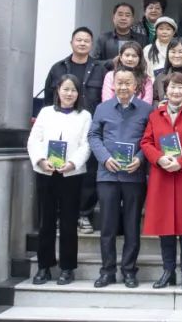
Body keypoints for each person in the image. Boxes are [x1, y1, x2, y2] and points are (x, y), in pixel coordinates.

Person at [140, 72, 182, 291]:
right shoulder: (155, 116)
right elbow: (146, 142)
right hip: (162, 177)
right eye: (172, 87)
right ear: (165, 90)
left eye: (180, 87)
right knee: (165, 228)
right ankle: (168, 271)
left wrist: (181, 161)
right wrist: (159, 158)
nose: (176, 91)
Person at [88, 68, 152, 288]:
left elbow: (150, 139)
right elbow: (93, 135)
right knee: (107, 226)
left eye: (128, 83)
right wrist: (105, 158)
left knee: (132, 226)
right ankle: (107, 271)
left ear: (136, 86)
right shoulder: (102, 108)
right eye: (119, 83)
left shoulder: (146, 110)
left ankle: (129, 271)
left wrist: (140, 158)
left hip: (134, 177)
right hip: (108, 175)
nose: (123, 87)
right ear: (113, 85)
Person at [40, 27, 106, 234]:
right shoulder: (58, 68)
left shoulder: (99, 68)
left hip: (90, 126)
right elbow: (48, 99)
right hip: (61, 127)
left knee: (89, 172)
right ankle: (60, 214)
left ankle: (84, 214)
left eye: (87, 40)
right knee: (59, 170)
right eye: (79, 40)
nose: (82, 43)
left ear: (91, 44)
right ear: (71, 43)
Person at [28, 74, 92, 286]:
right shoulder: (46, 112)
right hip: (46, 172)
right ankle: (44, 266)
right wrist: (40, 160)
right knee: (45, 221)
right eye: (65, 89)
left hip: (71, 174)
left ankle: (67, 267)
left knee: (69, 222)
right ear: (58, 91)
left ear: (78, 93)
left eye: (73, 90)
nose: (69, 94)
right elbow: (34, 140)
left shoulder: (84, 116)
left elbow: (86, 145)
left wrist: (73, 163)